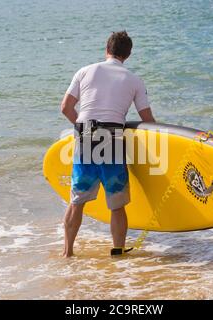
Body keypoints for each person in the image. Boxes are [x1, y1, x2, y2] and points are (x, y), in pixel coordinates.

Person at [60, 31, 155, 257]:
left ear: (107, 49)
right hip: (112, 137)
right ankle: (117, 252)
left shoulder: (85, 71)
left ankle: (67, 252)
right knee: (116, 203)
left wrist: (83, 129)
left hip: (85, 134)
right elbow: (147, 120)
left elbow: (65, 107)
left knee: (77, 200)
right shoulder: (134, 79)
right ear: (128, 54)